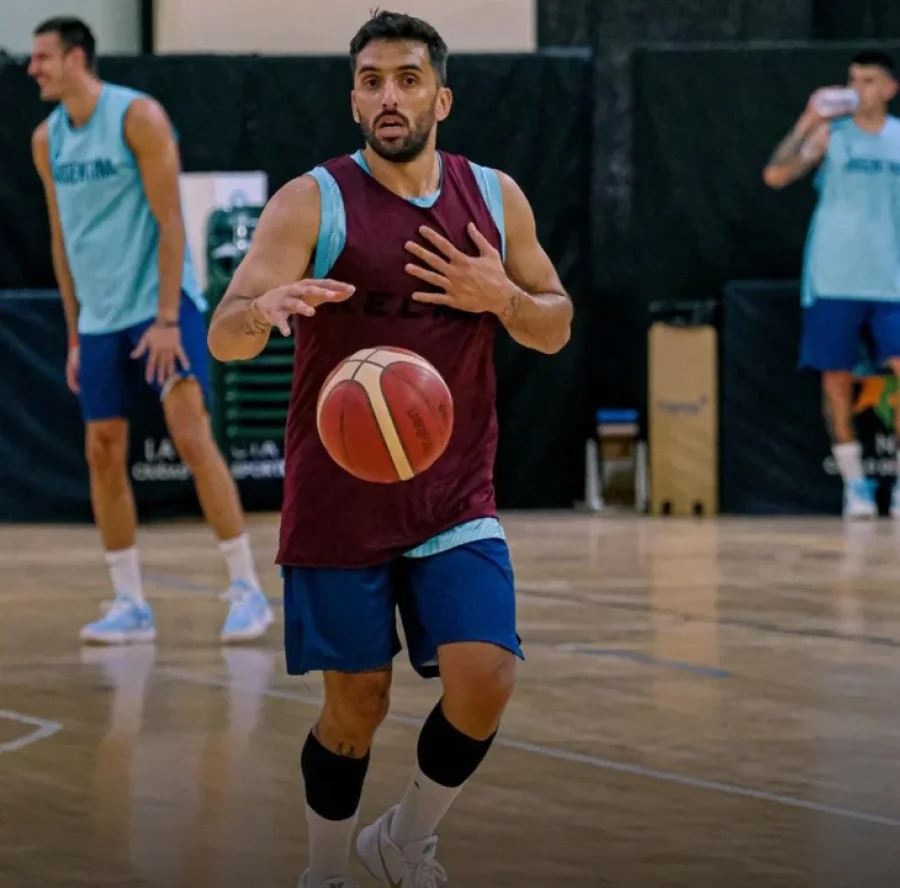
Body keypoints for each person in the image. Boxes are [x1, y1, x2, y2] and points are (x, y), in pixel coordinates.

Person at [207, 11, 572, 887]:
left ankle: (405, 838)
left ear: (441, 97)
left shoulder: (494, 196)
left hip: (453, 497)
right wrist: (263, 312)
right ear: (354, 99)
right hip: (340, 499)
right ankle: (325, 870)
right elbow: (224, 333)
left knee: (485, 679)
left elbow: (555, 325)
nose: (389, 95)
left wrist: (503, 298)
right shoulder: (311, 201)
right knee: (355, 708)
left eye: (407, 78)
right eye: (371, 80)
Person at [29, 16, 273, 644]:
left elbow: (170, 221)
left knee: (192, 436)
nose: (34, 69)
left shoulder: (137, 117)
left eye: (44, 57)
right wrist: (77, 335)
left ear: (77, 58)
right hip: (102, 319)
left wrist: (167, 319)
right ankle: (129, 602)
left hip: (161, 307)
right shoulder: (45, 139)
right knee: (101, 452)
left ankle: (247, 589)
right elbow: (61, 241)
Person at [763, 50, 900, 519]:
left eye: (869, 80)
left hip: (891, 279)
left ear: (889, 89)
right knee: (837, 379)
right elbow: (777, 174)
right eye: (852, 79)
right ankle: (856, 486)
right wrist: (806, 121)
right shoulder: (830, 135)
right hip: (834, 276)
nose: (858, 88)